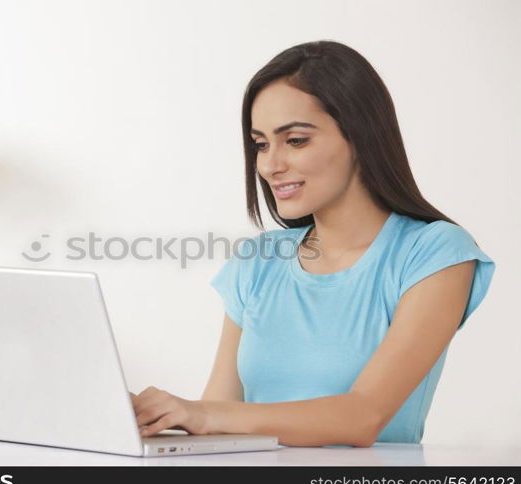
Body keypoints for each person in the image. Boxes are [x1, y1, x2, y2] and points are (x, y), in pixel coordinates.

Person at [130, 40, 495, 447]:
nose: (270, 165)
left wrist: (203, 413)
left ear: (360, 136)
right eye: (261, 144)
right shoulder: (259, 259)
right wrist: (148, 418)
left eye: (296, 140)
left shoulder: (435, 253)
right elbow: (218, 417)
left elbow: (363, 416)